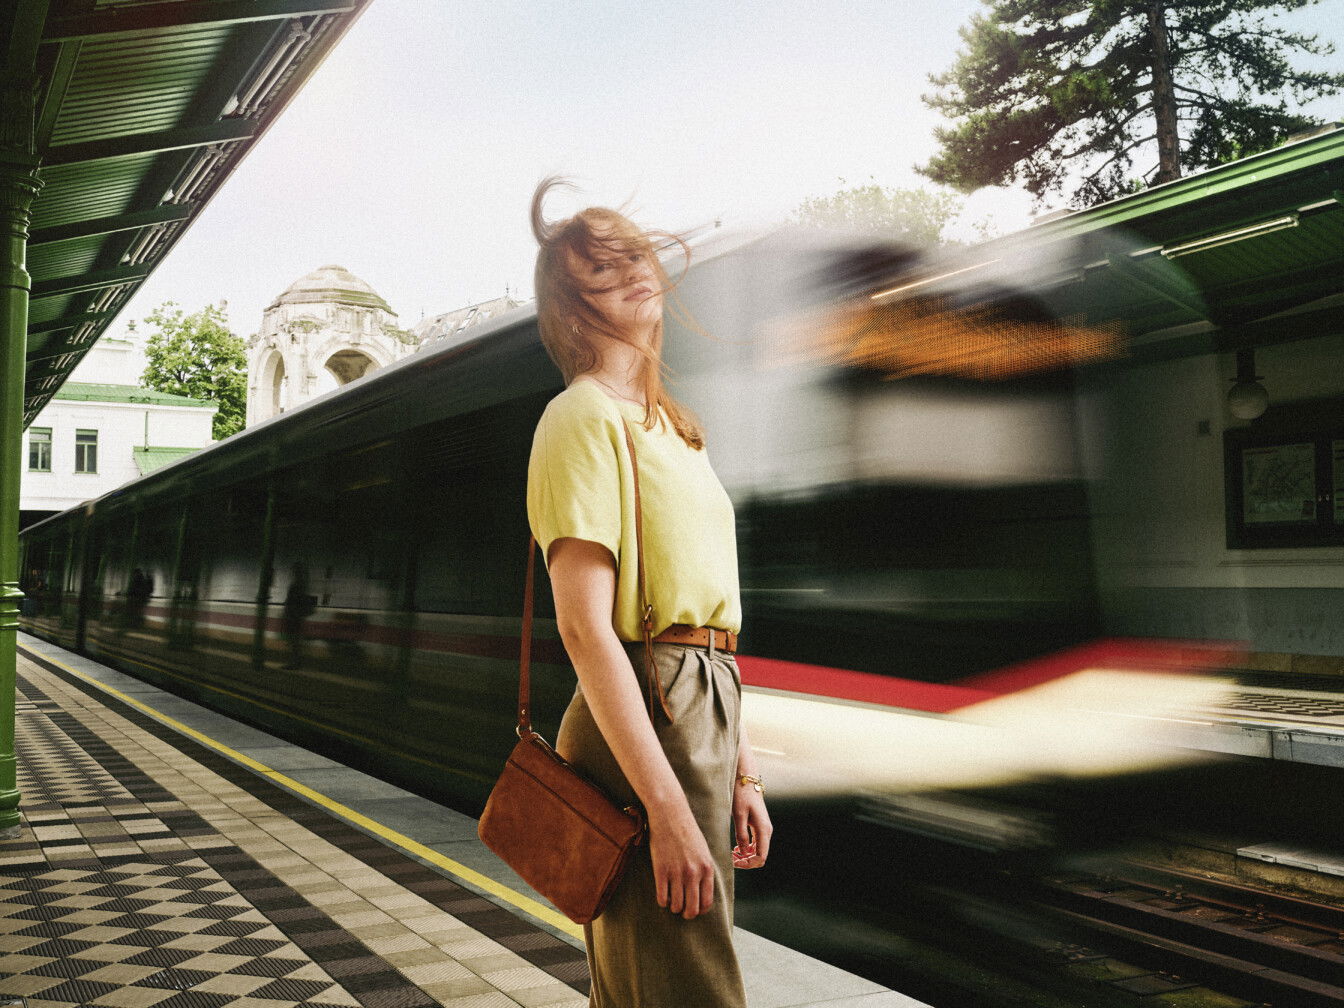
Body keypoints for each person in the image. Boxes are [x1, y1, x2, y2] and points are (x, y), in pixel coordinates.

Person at [526, 178, 771, 1008]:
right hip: (646, 719)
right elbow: (586, 629)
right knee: (683, 983)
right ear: (571, 307)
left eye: (633, 252)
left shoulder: (676, 427)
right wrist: (666, 812)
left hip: (702, 706)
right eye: (599, 268)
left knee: (653, 982)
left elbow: (712, 625)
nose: (630, 270)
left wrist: (744, 774)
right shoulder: (580, 417)